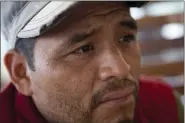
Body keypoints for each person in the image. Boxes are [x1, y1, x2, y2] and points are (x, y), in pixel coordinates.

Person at [0, 1, 183, 123]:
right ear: (21, 72)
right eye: (83, 49)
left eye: (126, 38)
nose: (121, 69)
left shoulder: (165, 108)